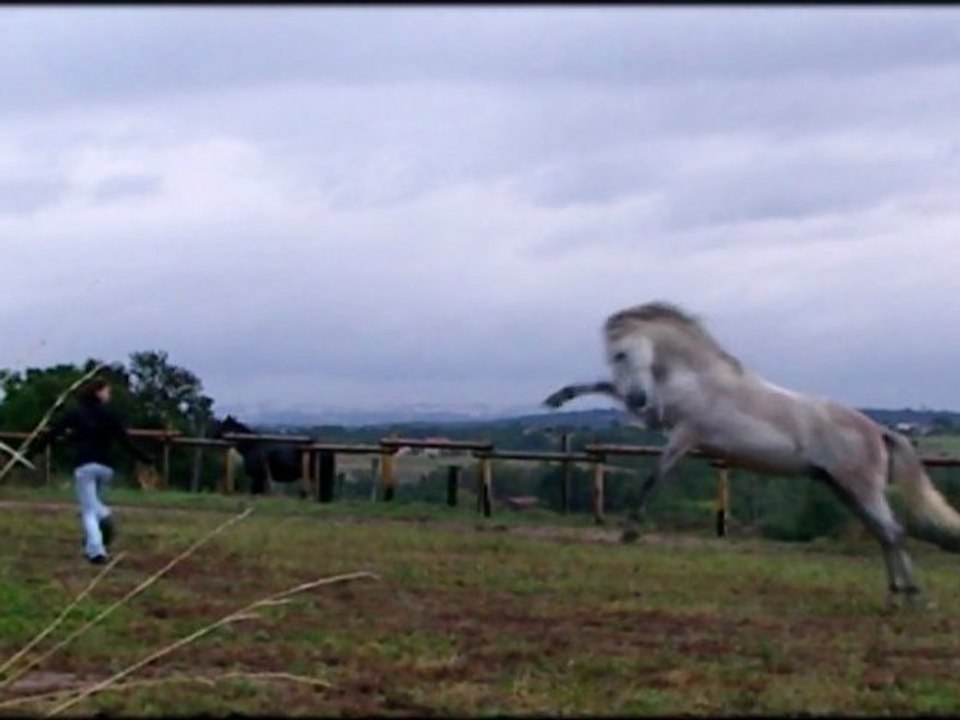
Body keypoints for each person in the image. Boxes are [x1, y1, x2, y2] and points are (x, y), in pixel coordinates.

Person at [28, 377, 154, 565]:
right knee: (92, 507)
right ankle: (92, 546)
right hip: (106, 468)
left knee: (90, 510)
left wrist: (33, 450)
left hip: (85, 466)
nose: (108, 395)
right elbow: (124, 441)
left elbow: (53, 432)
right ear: (97, 392)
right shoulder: (110, 414)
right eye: (106, 391)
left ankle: (97, 548)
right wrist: (146, 458)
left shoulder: (75, 413)